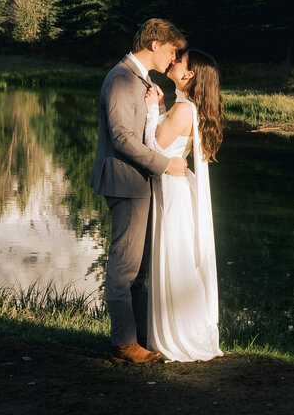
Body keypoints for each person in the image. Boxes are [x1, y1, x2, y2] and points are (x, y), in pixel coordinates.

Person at [90, 18, 189, 365]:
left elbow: (144, 133)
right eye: (172, 50)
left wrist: (157, 108)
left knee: (139, 269)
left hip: (138, 182)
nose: (174, 58)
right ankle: (123, 344)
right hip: (125, 182)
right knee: (124, 267)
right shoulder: (120, 78)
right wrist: (164, 165)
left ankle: (143, 337)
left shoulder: (141, 80)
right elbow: (121, 138)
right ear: (154, 44)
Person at [143, 47, 224, 361]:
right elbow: (168, 141)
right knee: (178, 256)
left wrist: (152, 109)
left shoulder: (184, 110)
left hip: (172, 190)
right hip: (176, 185)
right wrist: (162, 106)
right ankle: (177, 331)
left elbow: (153, 146)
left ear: (189, 75)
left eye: (180, 61)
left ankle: (180, 335)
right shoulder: (184, 107)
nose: (174, 60)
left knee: (175, 258)